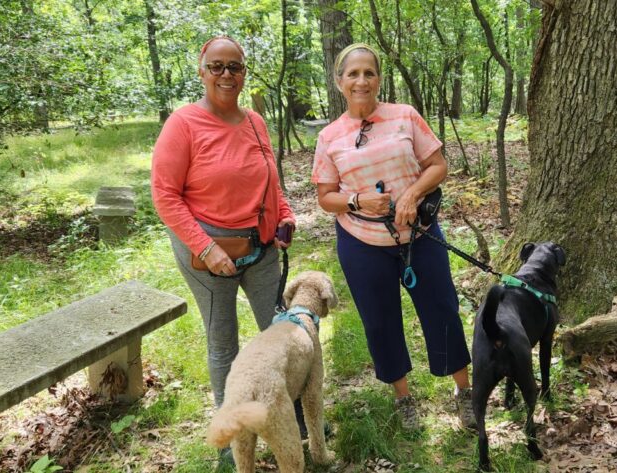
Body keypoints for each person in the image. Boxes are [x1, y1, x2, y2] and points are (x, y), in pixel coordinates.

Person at [311, 43, 475, 431]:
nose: (361, 81)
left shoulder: (405, 116)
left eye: (369, 73)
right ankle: (403, 398)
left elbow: (437, 165)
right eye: (353, 74)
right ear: (339, 81)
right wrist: (357, 200)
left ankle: (464, 391)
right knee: (380, 322)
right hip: (361, 244)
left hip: (419, 235)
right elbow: (325, 197)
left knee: (442, 310)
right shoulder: (330, 136)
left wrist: (412, 194)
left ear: (379, 79)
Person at [150, 36, 296, 464]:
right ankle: (232, 440)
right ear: (202, 72)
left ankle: (291, 420)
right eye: (217, 66)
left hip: (261, 247)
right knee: (224, 343)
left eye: (235, 66)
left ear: (244, 73)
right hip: (208, 253)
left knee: (281, 336)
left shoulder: (255, 121)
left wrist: (285, 215)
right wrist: (206, 247)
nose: (226, 74)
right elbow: (164, 195)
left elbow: (269, 179)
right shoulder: (183, 123)